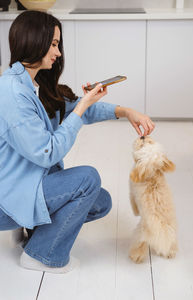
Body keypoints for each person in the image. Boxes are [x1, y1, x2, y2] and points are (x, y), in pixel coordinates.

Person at [0, 10, 155, 274]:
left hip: (28, 187)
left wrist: (124, 111)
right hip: (9, 199)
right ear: (34, 40)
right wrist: (82, 106)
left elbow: (72, 110)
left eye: (57, 45)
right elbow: (47, 152)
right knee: (88, 180)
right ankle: (41, 255)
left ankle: (36, 234)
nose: (58, 53)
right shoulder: (12, 93)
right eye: (53, 44)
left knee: (100, 201)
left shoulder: (30, 84)